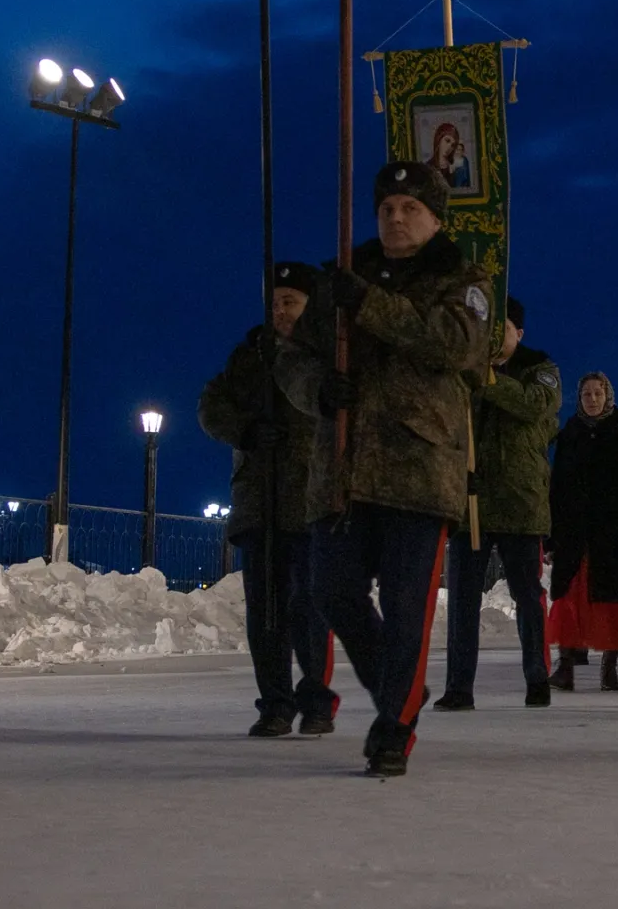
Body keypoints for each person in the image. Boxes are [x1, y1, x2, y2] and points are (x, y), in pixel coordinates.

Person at [276, 161, 492, 777]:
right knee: (331, 592)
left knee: (406, 610)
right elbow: (292, 360)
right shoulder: (345, 276)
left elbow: (456, 344)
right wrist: (319, 388)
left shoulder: (461, 277)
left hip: (418, 471)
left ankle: (396, 725)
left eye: (410, 209)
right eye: (387, 209)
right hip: (342, 472)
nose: (395, 219)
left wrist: (371, 305)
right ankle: (399, 688)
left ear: (435, 218)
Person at [197, 261, 337, 737]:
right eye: (275, 302)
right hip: (260, 499)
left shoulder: (326, 355)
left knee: (309, 608)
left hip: (311, 499)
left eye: (290, 301)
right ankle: (275, 702)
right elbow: (211, 406)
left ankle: (317, 698)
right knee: (266, 611)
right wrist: (248, 430)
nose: (280, 310)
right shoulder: (250, 356)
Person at [434, 295, 560, 713]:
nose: (493, 336)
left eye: (501, 328)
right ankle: (459, 686)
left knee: (527, 596)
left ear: (518, 333)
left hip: (520, 504)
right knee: (463, 599)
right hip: (470, 502)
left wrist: (488, 379)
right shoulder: (464, 372)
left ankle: (537, 677)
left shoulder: (540, 370)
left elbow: (534, 406)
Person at [546, 372, 618, 690]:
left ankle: (609, 668)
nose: (592, 399)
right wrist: (551, 538)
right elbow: (558, 488)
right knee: (568, 599)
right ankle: (565, 668)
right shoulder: (570, 434)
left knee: (612, 602)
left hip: (613, 534)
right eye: (586, 394)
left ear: (608, 396)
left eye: (597, 393)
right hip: (574, 534)